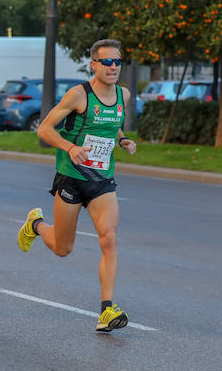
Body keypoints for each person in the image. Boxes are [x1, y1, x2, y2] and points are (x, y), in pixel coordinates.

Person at [17, 38, 136, 332]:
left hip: (101, 181)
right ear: (93, 64)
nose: (112, 67)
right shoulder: (78, 95)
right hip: (71, 176)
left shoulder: (124, 95)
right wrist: (70, 147)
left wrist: (121, 139)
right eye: (106, 61)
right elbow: (44, 129)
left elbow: (112, 122)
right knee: (62, 248)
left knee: (108, 237)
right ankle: (36, 225)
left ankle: (107, 310)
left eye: (117, 61)